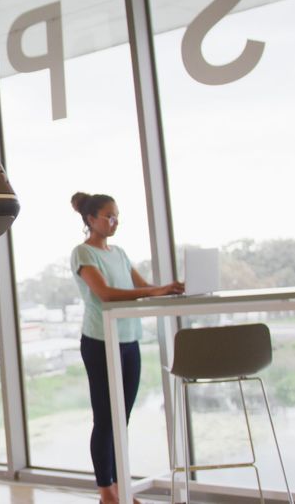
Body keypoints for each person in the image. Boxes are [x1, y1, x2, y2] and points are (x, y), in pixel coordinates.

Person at [69, 192, 183, 503]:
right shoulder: (83, 253)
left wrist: (169, 290)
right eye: (108, 216)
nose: (114, 221)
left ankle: (122, 487)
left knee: (122, 418)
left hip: (129, 340)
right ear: (91, 220)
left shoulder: (118, 253)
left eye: (116, 215)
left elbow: (142, 288)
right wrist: (156, 289)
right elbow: (105, 294)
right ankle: (106, 490)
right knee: (106, 418)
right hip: (99, 341)